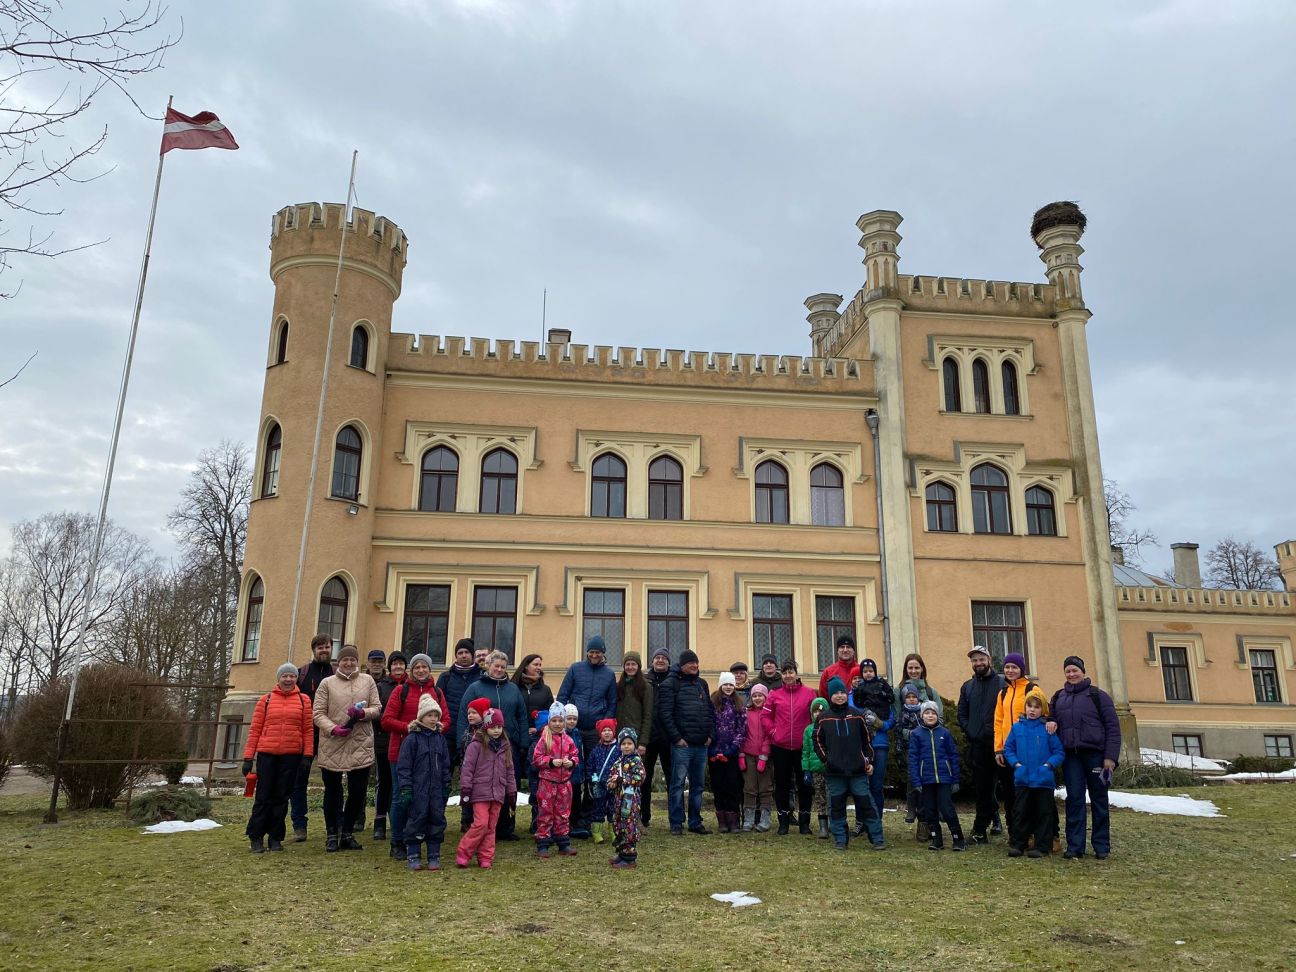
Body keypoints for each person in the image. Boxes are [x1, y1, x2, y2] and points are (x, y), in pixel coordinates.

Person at [1047, 655, 1121, 860]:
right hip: (1071, 757)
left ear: (1083, 671)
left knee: (1099, 800)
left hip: (1096, 756)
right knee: (1075, 800)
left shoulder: (1098, 696)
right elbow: (1052, 717)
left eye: (1075, 670)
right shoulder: (1058, 697)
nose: (1071, 674)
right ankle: (1075, 846)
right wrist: (1051, 721)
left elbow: (1113, 728)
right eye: (1068, 671)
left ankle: (1101, 846)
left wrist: (1110, 758)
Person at [380, 652, 451, 860]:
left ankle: (422, 839)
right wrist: (409, 728)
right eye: (417, 667)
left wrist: (438, 727)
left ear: (430, 670)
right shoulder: (401, 691)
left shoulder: (437, 692)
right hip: (401, 752)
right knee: (401, 798)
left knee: (425, 799)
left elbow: (446, 719)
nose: (421, 670)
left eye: (425, 667)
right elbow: (387, 720)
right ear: (412, 669)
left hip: (429, 754)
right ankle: (398, 841)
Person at [312, 644, 382, 852]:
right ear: (338, 662)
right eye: (345, 660)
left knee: (357, 792)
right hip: (332, 743)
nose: (349, 663)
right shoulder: (327, 683)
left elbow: (377, 708)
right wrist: (333, 728)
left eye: (352, 659)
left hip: (360, 743)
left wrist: (363, 714)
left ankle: (348, 833)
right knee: (332, 791)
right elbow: (317, 713)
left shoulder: (367, 681)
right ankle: (332, 833)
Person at [456, 650, 529, 841]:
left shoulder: (513, 689)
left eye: (503, 667)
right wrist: (461, 742)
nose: (499, 670)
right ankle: (478, 825)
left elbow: (522, 716)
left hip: (508, 745)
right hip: (481, 746)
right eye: (496, 666)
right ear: (488, 666)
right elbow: (464, 716)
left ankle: (505, 827)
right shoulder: (475, 687)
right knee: (482, 787)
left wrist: (523, 742)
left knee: (505, 785)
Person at [242, 662, 314, 853]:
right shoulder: (265, 700)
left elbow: (308, 730)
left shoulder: (303, 700)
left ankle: (276, 837)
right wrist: (248, 757)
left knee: (282, 798)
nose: (288, 679)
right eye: (285, 676)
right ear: (278, 678)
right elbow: (255, 729)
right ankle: (256, 836)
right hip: (267, 754)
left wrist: (307, 755)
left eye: (292, 676)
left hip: (291, 756)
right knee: (263, 797)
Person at [814, 677, 885, 851]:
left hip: (858, 770)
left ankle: (877, 838)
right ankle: (840, 839)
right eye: (836, 693)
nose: (839, 696)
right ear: (830, 696)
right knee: (836, 807)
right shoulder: (823, 718)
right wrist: (826, 760)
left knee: (866, 804)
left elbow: (867, 741)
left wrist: (868, 761)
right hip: (835, 772)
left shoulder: (857, 715)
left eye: (842, 692)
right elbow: (817, 741)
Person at [557, 635, 619, 835]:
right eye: (591, 652)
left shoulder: (609, 675)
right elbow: (563, 695)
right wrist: (564, 721)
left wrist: (603, 725)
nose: (594, 655)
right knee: (573, 770)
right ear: (587, 652)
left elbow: (612, 702)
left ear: (603, 654)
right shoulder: (576, 669)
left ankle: (588, 815)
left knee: (595, 772)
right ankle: (572, 816)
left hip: (594, 730)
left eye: (597, 653)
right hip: (573, 728)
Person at [657, 648, 715, 836]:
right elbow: (665, 714)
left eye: (697, 663)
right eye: (691, 663)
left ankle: (695, 821)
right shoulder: (670, 684)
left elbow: (710, 711)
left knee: (698, 786)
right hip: (682, 745)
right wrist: (677, 738)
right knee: (677, 784)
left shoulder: (702, 684)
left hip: (701, 745)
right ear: (682, 665)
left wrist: (710, 736)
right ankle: (676, 822)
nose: (695, 666)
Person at [1004, 688, 1063, 859]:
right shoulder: (1017, 728)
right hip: (1023, 778)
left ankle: (1042, 845)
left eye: (1036, 707)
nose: (1032, 710)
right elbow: (1009, 748)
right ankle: (1018, 844)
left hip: (1043, 780)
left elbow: (1058, 751)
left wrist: (1048, 765)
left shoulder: (1047, 729)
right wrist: (1016, 764)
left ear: (1042, 710)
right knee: (1020, 812)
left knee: (1043, 813)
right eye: (1029, 706)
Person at [395, 693, 451, 871]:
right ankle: (413, 854)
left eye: (436, 715)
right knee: (416, 820)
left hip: (436, 789)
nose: (433, 719)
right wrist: (405, 788)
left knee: (436, 820)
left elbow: (445, 765)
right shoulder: (412, 740)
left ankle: (434, 855)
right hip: (417, 789)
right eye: (429, 715)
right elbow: (404, 767)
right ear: (421, 717)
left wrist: (446, 784)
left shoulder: (440, 739)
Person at [456, 706, 516, 869]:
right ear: (486, 727)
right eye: (493, 727)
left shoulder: (505, 747)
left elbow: (509, 770)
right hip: (479, 792)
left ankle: (486, 856)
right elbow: (467, 768)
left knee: (491, 827)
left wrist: (511, 791)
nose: (496, 730)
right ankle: (464, 851)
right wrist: (466, 789)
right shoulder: (476, 745)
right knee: (481, 824)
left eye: (499, 727)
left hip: (498, 792)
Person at [957, 645, 1005, 844]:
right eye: (974, 660)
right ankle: (979, 831)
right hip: (978, 746)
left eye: (981, 659)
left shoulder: (1003, 683)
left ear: (989, 660)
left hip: (1001, 745)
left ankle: (1016, 830)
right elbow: (962, 713)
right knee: (982, 790)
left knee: (1008, 790)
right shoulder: (968, 686)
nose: (978, 663)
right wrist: (971, 731)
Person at [993, 651, 1042, 844]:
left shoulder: (1032, 689)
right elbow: (998, 721)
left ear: (1021, 669)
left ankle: (1033, 833)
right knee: (1010, 795)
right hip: (1008, 751)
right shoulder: (1003, 692)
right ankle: (1015, 833)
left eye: (1014, 667)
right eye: (1007, 667)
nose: (1010, 670)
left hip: (1028, 751)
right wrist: (998, 749)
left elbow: (1044, 713)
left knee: (1028, 793)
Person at [290, 633, 334, 841]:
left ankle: (332, 825)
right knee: (299, 781)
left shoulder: (336, 673)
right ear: (313, 650)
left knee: (331, 782)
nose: (324, 650)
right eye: (320, 648)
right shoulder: (302, 674)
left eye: (327, 647)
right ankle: (300, 825)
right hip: (305, 734)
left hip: (329, 734)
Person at [766, 660, 816, 835]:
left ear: (796, 673)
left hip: (803, 748)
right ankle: (783, 822)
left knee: (805, 785)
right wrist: (774, 732)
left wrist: (811, 736)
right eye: (785, 672)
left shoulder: (809, 693)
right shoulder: (774, 694)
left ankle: (804, 823)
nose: (788, 675)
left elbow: (816, 717)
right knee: (782, 784)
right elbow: (766, 716)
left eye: (791, 672)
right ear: (782, 675)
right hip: (781, 746)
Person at [908, 700, 965, 851]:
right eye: (927, 713)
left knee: (947, 809)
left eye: (933, 713)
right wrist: (916, 781)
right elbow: (913, 758)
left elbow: (953, 756)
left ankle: (958, 839)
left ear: (937, 715)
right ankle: (936, 839)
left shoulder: (944, 733)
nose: (930, 715)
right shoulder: (916, 734)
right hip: (925, 780)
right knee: (930, 811)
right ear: (922, 716)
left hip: (944, 779)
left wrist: (955, 779)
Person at [532, 701, 579, 858]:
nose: (557, 724)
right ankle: (543, 843)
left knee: (563, 814)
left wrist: (571, 762)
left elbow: (575, 756)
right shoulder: (544, 740)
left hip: (564, 784)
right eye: (554, 721)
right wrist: (551, 762)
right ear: (549, 722)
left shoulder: (569, 740)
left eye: (560, 720)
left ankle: (563, 843)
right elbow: (537, 759)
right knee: (545, 813)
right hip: (547, 783)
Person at [852, 658, 895, 820]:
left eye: (871, 671)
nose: (868, 674)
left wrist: (880, 723)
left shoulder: (883, 687)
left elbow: (891, 718)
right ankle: (861, 820)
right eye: (865, 671)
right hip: (862, 744)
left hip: (880, 744)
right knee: (862, 784)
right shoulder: (859, 689)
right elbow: (855, 708)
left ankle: (876, 818)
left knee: (877, 784)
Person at [371, 650, 405, 843]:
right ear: (389, 667)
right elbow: (376, 711)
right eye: (395, 664)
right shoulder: (381, 686)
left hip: (406, 742)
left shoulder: (411, 686)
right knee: (384, 782)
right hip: (384, 741)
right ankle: (380, 822)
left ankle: (398, 821)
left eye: (401, 663)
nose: (398, 667)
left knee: (401, 783)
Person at [708, 671, 747, 833]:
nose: (728, 687)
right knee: (718, 786)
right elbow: (708, 725)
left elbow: (742, 729)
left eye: (731, 684)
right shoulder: (712, 704)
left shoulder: (739, 704)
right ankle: (722, 820)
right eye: (726, 684)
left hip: (731, 753)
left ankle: (733, 819)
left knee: (732, 785)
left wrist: (733, 748)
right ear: (720, 685)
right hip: (714, 753)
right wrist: (711, 749)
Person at [641, 648, 674, 826]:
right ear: (652, 661)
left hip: (668, 737)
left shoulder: (674, 680)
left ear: (669, 662)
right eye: (657, 657)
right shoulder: (645, 680)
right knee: (644, 777)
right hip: (649, 736)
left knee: (672, 778)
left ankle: (673, 818)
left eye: (663, 658)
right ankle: (643, 816)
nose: (660, 660)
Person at [607, 727, 647, 868]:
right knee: (619, 824)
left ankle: (630, 858)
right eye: (623, 744)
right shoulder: (618, 762)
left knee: (629, 826)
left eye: (629, 743)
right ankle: (622, 852)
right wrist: (611, 783)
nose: (626, 746)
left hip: (631, 800)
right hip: (619, 799)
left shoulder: (636, 760)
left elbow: (640, 777)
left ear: (634, 744)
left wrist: (621, 779)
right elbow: (611, 776)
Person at [437, 639, 481, 762]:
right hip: (448, 733)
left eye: (467, 652)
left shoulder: (482, 676)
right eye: (460, 652)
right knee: (445, 769)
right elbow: (438, 703)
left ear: (472, 655)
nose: (463, 655)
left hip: (475, 733)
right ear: (456, 656)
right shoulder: (445, 677)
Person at [740, 682, 773, 832]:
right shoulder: (746, 713)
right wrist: (741, 753)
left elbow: (768, 736)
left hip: (764, 756)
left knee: (765, 787)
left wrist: (764, 755)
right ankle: (748, 818)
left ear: (765, 697)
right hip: (748, 755)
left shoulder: (769, 713)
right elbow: (741, 733)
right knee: (749, 787)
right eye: (754, 695)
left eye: (760, 695)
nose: (757, 698)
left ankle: (765, 819)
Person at [587, 718, 620, 843]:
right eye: (604, 730)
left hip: (614, 784)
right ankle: (597, 833)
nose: (607, 733)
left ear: (614, 732)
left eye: (609, 730)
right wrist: (592, 779)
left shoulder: (618, 749)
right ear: (600, 733)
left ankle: (614, 832)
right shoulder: (596, 750)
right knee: (597, 808)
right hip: (598, 785)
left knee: (614, 808)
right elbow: (590, 766)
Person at [801, 696, 830, 839]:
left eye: (821, 711)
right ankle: (823, 826)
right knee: (820, 798)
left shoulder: (830, 727)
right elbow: (805, 752)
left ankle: (834, 823)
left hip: (830, 770)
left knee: (832, 797)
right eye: (815, 712)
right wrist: (806, 770)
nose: (818, 714)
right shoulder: (808, 730)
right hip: (816, 770)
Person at [615, 651, 653, 756]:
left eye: (633, 664)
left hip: (636, 737)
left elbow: (648, 716)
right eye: (627, 664)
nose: (630, 667)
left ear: (638, 666)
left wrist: (643, 743)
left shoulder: (646, 687)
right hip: (619, 737)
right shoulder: (618, 686)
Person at [896, 683, 924, 823]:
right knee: (912, 779)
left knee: (925, 779)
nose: (912, 699)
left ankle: (923, 808)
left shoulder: (924, 712)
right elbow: (901, 733)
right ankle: (911, 808)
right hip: (909, 751)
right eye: (908, 697)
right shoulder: (903, 714)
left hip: (924, 751)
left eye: (914, 696)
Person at [512, 652, 554, 741]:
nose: (539, 668)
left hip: (539, 736)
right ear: (526, 666)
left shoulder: (545, 690)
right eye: (535, 664)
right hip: (516, 735)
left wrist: (539, 728)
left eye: (540, 665)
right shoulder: (514, 687)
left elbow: (551, 713)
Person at [901, 653, 943, 720]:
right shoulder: (898, 691)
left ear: (922, 669)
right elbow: (896, 719)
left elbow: (939, 717)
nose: (913, 671)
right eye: (910, 668)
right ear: (906, 669)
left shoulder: (931, 692)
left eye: (917, 668)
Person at [818, 634, 861, 699]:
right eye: (842, 647)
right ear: (837, 651)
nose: (845, 650)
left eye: (848, 647)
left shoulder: (862, 670)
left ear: (853, 651)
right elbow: (823, 698)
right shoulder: (828, 672)